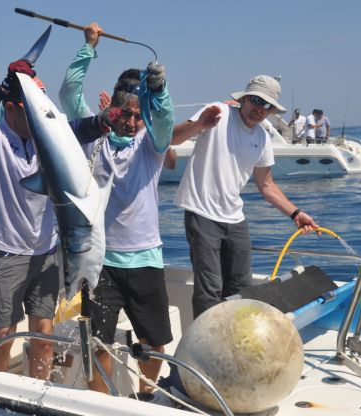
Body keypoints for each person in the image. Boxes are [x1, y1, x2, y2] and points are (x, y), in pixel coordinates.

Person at [0, 60, 105, 380]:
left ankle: (38, 392)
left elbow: (84, 128)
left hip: (45, 253)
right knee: (3, 334)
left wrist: (106, 120)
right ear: (11, 108)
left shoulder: (47, 137)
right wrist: (1, 89)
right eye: (33, 109)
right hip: (6, 254)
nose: (43, 117)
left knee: (43, 332)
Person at [59, 22, 175, 396]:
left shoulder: (151, 146)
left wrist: (158, 90)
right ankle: (103, 402)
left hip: (145, 261)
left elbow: (165, 120)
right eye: (124, 114)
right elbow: (69, 92)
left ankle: (145, 396)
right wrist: (88, 47)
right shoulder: (95, 139)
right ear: (112, 113)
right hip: (101, 262)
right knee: (97, 343)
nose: (129, 122)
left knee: (154, 343)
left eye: (137, 116)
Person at [172, 76, 319, 318]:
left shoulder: (262, 137)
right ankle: (204, 348)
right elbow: (172, 139)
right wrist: (200, 125)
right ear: (244, 98)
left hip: (235, 218)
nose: (259, 108)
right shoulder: (217, 112)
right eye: (256, 100)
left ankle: (235, 344)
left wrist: (296, 213)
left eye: (267, 105)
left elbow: (267, 185)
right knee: (210, 290)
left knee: (243, 288)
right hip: (202, 214)